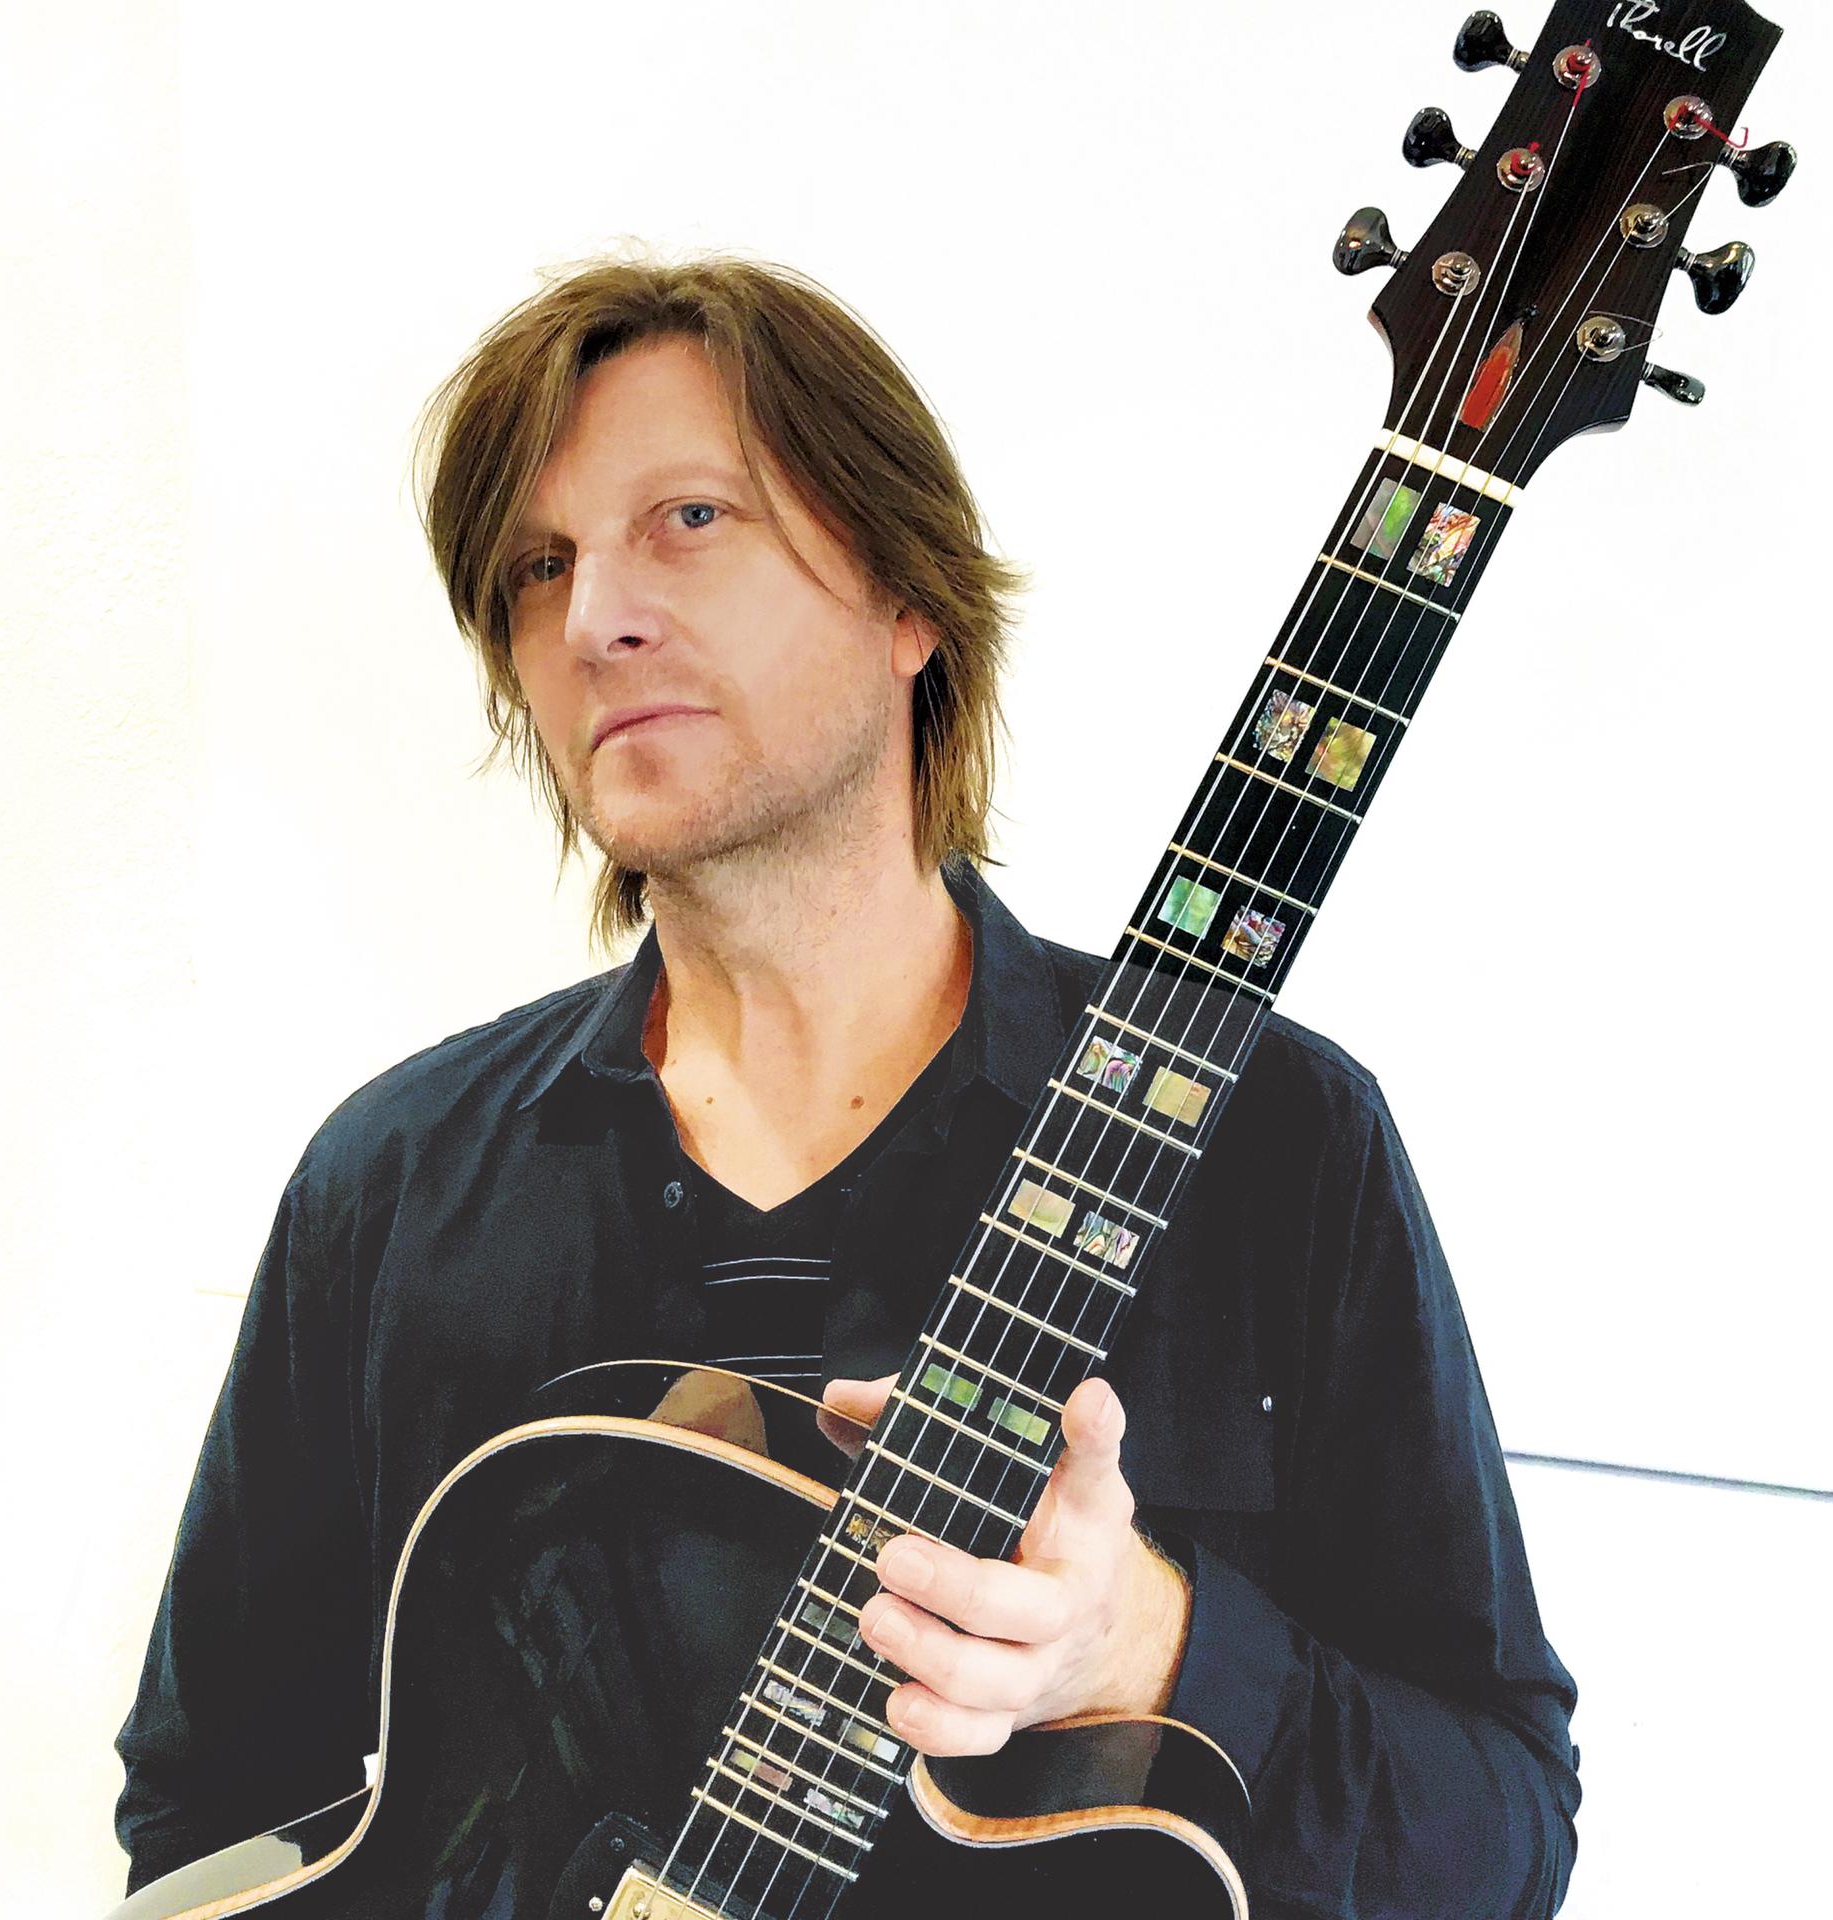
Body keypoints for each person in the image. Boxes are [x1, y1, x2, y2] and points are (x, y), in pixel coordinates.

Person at [115, 251, 1581, 1917]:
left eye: (689, 519)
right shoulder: (393, 1188)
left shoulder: (1276, 1144)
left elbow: (1506, 1838)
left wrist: (1147, 1642)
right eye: (539, 566)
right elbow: (211, 1817)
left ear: (909, 602)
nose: (595, 619)